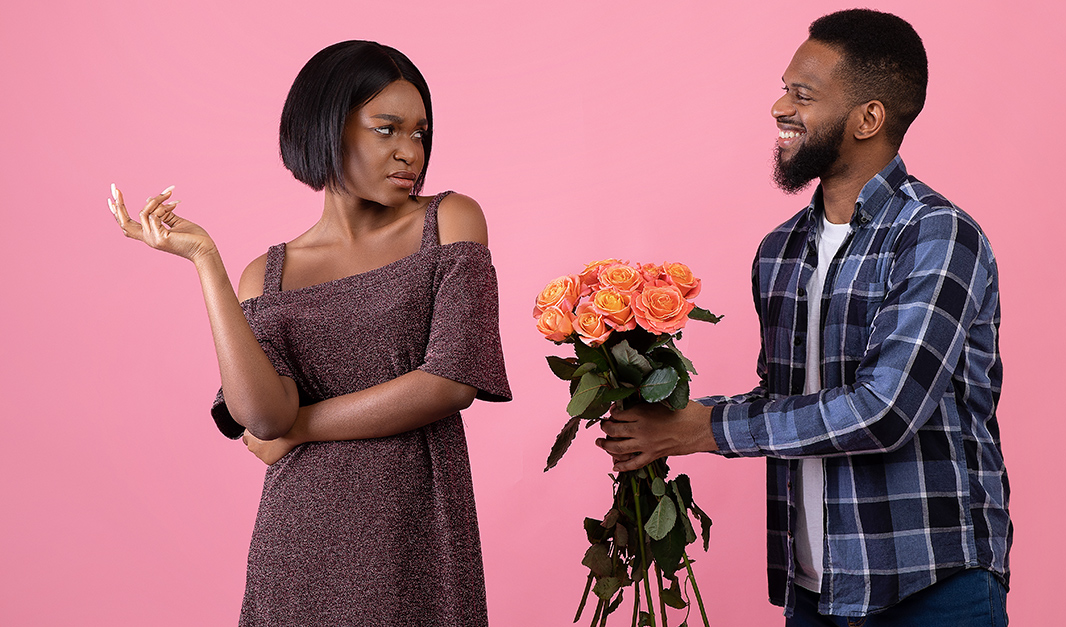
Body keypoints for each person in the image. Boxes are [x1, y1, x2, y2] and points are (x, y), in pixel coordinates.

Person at [597, 10, 1010, 626]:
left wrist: (703, 430)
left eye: (803, 95)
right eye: (784, 89)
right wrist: (663, 416)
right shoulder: (780, 250)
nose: (779, 108)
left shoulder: (938, 236)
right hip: (814, 591)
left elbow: (884, 411)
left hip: (931, 585)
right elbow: (784, 400)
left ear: (868, 119)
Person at [107, 41, 510, 626]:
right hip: (299, 546)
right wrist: (206, 261)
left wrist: (301, 429)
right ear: (328, 129)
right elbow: (263, 418)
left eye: (420, 134)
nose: (410, 152)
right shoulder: (266, 276)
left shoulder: (449, 221)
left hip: (417, 532)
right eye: (386, 129)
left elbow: (449, 382)